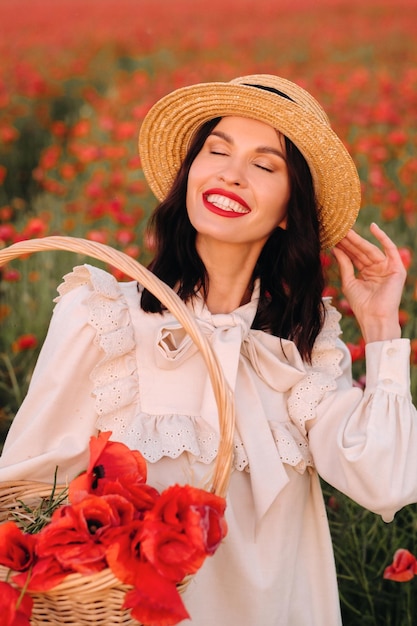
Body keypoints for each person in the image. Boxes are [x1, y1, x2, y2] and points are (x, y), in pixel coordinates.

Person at [0, 74, 416, 625]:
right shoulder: (101, 318)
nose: (231, 173)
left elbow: (388, 482)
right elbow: (27, 496)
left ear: (290, 208)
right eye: (216, 151)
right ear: (191, 174)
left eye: (265, 165)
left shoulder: (302, 351)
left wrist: (381, 323)